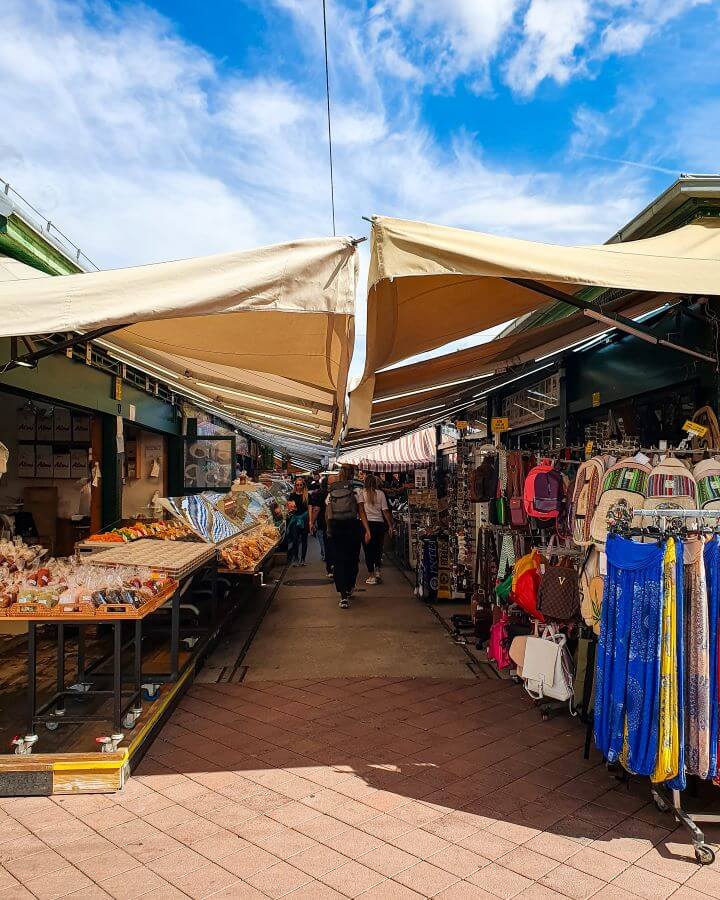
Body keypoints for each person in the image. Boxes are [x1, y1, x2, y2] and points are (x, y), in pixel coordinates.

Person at [326, 464, 370, 608]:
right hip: (352, 526)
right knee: (352, 559)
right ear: (353, 474)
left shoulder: (332, 490)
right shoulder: (357, 489)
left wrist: (328, 529)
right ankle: (350, 586)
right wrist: (367, 530)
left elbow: (328, 512)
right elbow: (361, 511)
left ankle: (343, 595)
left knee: (339, 561)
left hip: (336, 528)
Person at [361, 473, 394, 584]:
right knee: (378, 549)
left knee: (368, 550)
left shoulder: (362, 494)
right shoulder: (380, 494)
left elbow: (360, 511)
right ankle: (378, 570)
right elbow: (385, 511)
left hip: (366, 525)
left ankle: (371, 574)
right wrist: (390, 525)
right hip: (379, 524)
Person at [309, 476, 333, 577]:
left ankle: (329, 566)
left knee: (326, 543)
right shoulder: (335, 493)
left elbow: (317, 509)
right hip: (336, 522)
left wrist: (312, 522)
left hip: (323, 522)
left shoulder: (319, 494)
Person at [287, 477, 309, 565]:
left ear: (303, 485)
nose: (299, 486)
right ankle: (296, 558)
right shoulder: (292, 495)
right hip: (295, 519)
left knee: (304, 540)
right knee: (295, 539)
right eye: (297, 485)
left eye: (300, 485)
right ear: (295, 486)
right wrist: (290, 508)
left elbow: (310, 508)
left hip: (304, 519)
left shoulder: (307, 495)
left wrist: (311, 521)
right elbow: (289, 507)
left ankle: (303, 559)